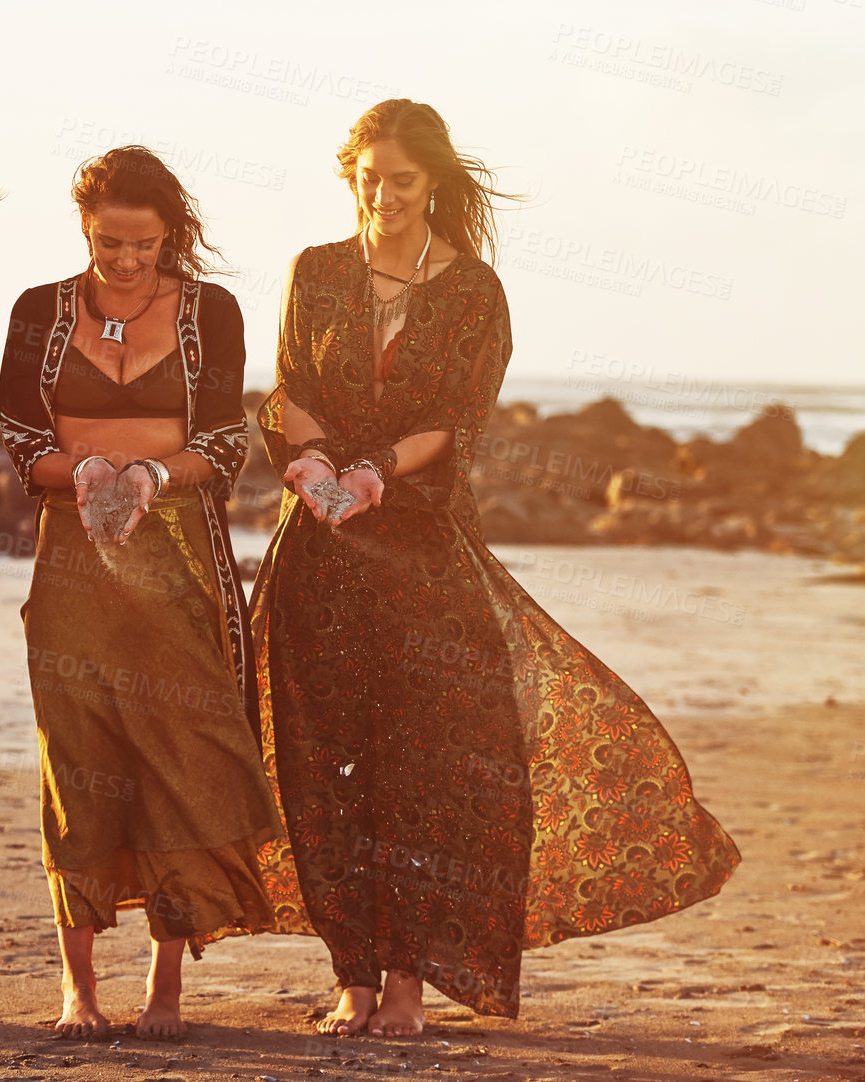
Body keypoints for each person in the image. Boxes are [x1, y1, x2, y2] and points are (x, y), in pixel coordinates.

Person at [226, 99, 740, 1036]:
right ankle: (351, 977)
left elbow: (455, 421)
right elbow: (290, 386)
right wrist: (307, 463)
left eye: (403, 180)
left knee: (429, 770)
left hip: (421, 552)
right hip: (320, 553)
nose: (382, 195)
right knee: (322, 767)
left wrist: (375, 472)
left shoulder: (473, 291)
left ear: (436, 184)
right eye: (368, 177)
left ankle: (409, 985)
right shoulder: (316, 271)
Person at [0, 146, 279, 1042]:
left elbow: (229, 440)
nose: (126, 260)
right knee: (75, 757)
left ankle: (165, 989)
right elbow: (13, 438)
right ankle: (77, 989)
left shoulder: (210, 311)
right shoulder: (39, 311)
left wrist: (152, 475)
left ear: (170, 234)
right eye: (110, 243)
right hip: (73, 549)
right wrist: (81, 474)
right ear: (84, 227)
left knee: (179, 756)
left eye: (145, 245)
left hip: (178, 548)